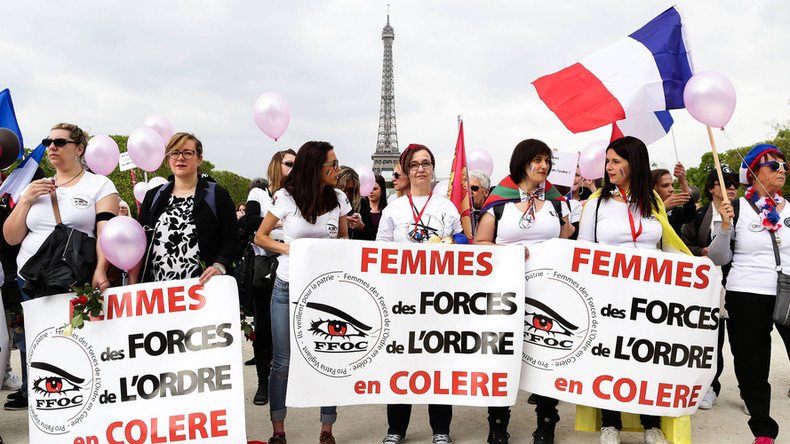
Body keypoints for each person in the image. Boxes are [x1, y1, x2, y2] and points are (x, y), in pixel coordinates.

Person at [578, 136, 691, 444]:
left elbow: (668, 245)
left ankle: (650, 423)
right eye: (607, 161)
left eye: (616, 161)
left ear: (634, 163)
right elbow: (584, 251)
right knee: (611, 358)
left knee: (648, 358)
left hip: (651, 297)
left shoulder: (653, 202)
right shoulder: (596, 202)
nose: (609, 166)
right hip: (609, 296)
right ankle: (610, 422)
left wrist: (697, 272)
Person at [2, 123, 119, 410]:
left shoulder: (99, 185)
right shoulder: (34, 187)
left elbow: (106, 232)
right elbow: (11, 236)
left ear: (79, 149)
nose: (51, 146)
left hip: (74, 281)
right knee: (37, 347)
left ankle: (83, 407)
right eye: (48, 141)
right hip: (30, 281)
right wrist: (27, 200)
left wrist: (101, 270)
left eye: (59, 142)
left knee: (76, 346)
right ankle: (46, 408)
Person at [473, 139, 573, 444]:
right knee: (502, 356)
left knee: (547, 355)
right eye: (536, 160)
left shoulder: (557, 201)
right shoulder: (499, 200)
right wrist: (507, 251)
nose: (543, 166)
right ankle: (498, 423)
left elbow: (568, 235)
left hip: (549, 293)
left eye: (546, 161)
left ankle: (546, 422)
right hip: (507, 292)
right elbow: (480, 244)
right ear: (521, 162)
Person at [254, 141, 350, 444]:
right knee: (282, 361)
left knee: (327, 358)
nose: (336, 169)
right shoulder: (284, 197)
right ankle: (278, 430)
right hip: (288, 284)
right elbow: (260, 236)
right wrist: (290, 249)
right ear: (314, 168)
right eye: (331, 165)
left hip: (325, 289)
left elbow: (345, 240)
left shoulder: (339, 198)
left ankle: (326, 429)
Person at [377, 144, 463, 444]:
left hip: (439, 299)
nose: (421, 169)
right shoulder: (393, 208)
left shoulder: (446, 207)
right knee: (401, 362)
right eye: (414, 165)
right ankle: (396, 429)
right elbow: (379, 253)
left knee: (438, 363)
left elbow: (463, 245)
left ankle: (441, 429)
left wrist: (454, 244)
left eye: (426, 163)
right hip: (402, 299)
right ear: (405, 170)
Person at [707, 144, 790, 444]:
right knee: (752, 363)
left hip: (787, 291)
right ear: (754, 173)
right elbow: (718, 258)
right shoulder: (736, 208)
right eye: (774, 166)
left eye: (784, 166)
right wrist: (725, 226)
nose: (782, 170)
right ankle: (763, 430)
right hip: (747, 292)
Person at [131, 132, 239, 285]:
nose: (180, 158)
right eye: (174, 152)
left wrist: (219, 265)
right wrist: (133, 283)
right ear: (168, 159)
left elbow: (232, 239)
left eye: (188, 153)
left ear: (199, 159)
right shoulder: (153, 196)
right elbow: (140, 242)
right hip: (157, 291)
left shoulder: (217, 195)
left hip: (202, 290)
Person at [680, 165, 740, 410]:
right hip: (709, 287)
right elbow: (685, 242)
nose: (733, 187)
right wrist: (701, 252)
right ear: (712, 187)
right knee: (712, 340)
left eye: (736, 182)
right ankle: (710, 387)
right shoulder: (700, 214)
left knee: (744, 341)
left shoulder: (745, 212)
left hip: (738, 283)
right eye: (726, 182)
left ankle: (749, 391)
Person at [243, 149, 296, 407]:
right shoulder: (260, 194)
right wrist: (276, 222)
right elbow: (250, 220)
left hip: (292, 266)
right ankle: (264, 381)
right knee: (264, 328)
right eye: (288, 164)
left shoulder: (296, 196)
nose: (293, 168)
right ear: (276, 165)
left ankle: (288, 381)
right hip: (265, 265)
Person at [651, 162, 695, 235]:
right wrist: (662, 208)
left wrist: (683, 182)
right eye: (665, 185)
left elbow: (690, 215)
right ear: (652, 189)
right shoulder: (642, 211)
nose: (671, 189)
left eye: (672, 185)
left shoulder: (674, 210)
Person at [337, 166, 375, 240]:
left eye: (351, 190)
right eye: (342, 190)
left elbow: (373, 236)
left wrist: (362, 227)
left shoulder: (361, 204)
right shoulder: (325, 204)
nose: (346, 194)